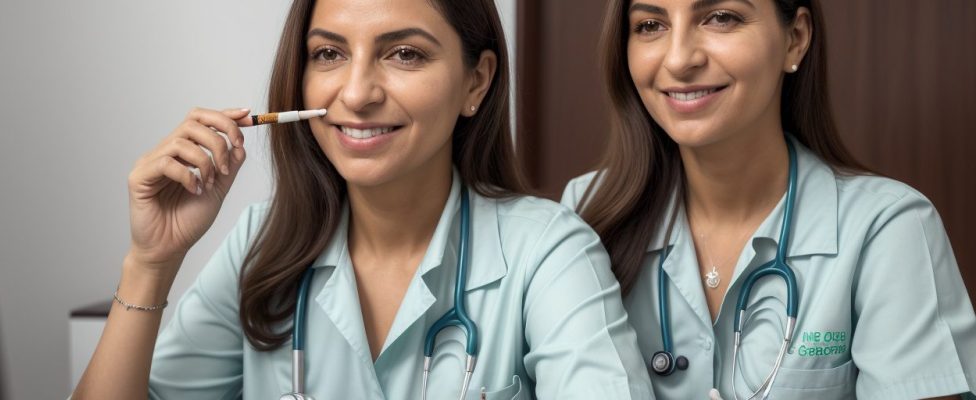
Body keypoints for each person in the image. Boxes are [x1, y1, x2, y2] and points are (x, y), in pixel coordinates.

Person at [72, 0, 655, 398]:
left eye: (404, 54)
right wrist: (151, 263)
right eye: (329, 54)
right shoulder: (261, 243)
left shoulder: (547, 250)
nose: (356, 93)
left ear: (475, 82)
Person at [561, 0, 976, 399]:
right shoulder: (586, 214)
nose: (678, 59)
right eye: (651, 25)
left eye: (721, 17)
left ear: (795, 38)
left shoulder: (886, 228)